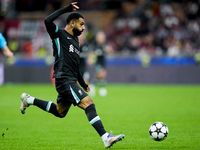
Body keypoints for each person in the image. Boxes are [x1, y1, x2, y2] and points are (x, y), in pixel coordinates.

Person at [19, 2, 124, 149]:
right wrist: (66, 10)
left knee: (60, 112)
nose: (83, 28)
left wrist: (83, 83)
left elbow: (75, 67)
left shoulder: (75, 42)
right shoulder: (59, 34)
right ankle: (106, 137)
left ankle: (29, 99)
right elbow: (47, 21)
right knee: (89, 103)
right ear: (72, 23)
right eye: (81, 24)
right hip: (64, 79)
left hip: (70, 78)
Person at [89, 31, 113, 97]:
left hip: (102, 62)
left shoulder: (105, 44)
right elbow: (90, 53)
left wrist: (108, 50)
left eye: (103, 37)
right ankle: (102, 89)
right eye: (100, 37)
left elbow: (110, 51)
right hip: (96, 62)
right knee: (102, 74)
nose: (102, 38)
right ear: (97, 38)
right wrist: (92, 56)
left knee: (99, 76)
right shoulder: (94, 44)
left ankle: (92, 85)